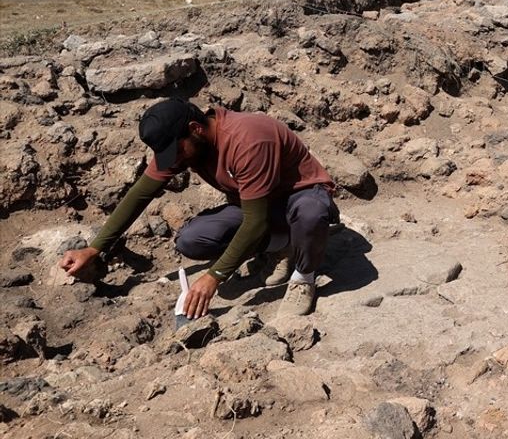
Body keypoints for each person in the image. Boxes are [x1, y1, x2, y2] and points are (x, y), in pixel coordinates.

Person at [59, 98, 338, 319]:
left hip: (299, 197)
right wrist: (94, 248)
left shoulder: (248, 139)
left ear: (196, 129)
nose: (175, 160)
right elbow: (140, 194)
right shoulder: (187, 144)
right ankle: (283, 247)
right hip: (258, 206)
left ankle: (304, 276)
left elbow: (255, 222)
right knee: (193, 239)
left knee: (311, 213)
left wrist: (213, 276)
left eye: (178, 152)